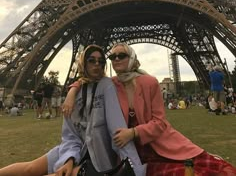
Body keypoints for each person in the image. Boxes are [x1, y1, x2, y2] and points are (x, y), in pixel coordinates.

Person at [63, 42, 236, 176]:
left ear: (131, 58)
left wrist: (133, 133)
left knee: (209, 170)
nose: (116, 59)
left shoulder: (149, 82)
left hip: (159, 145)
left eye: (121, 55)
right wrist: (72, 91)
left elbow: (160, 123)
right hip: (135, 153)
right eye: (112, 57)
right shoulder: (111, 85)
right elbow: (88, 79)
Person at [0, 45, 145, 176]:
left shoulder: (107, 86)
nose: (97, 65)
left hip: (95, 156)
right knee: (30, 169)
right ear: (83, 63)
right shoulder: (75, 92)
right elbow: (70, 135)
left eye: (101, 62)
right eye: (91, 60)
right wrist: (69, 159)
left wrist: (136, 168)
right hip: (74, 148)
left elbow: (117, 129)